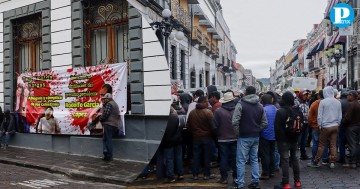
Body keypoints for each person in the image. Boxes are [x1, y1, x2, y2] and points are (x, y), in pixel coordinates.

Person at [232, 86, 268, 189]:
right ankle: (255, 181)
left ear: (246, 93)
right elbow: (265, 123)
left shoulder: (241, 104)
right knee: (254, 160)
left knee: (241, 161)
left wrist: (238, 133)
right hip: (255, 136)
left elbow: (235, 121)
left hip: (243, 136)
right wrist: (257, 129)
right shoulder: (260, 106)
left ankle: (240, 183)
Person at [274, 91, 303, 189]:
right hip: (294, 138)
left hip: (283, 140)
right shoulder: (297, 110)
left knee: (285, 160)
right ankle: (297, 181)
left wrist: (279, 139)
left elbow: (277, 128)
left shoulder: (280, 111)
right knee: (295, 159)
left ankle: (286, 183)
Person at [308, 86, 342, 169]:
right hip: (335, 125)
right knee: (333, 145)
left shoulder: (323, 102)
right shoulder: (338, 102)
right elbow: (340, 116)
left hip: (325, 126)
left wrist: (320, 126)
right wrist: (338, 124)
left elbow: (320, 116)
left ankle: (316, 161)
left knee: (321, 145)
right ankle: (332, 162)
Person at [187, 96, 215, 180]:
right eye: (207, 101)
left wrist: (193, 133)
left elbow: (188, 125)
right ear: (203, 102)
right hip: (207, 137)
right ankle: (206, 174)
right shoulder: (208, 112)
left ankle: (195, 174)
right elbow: (213, 126)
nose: (208, 103)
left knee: (196, 156)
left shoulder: (192, 113)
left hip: (196, 137)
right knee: (207, 156)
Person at [212, 92, 237, 184]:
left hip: (222, 139)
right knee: (235, 158)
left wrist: (218, 134)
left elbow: (214, 126)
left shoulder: (218, 111)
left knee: (223, 158)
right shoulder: (237, 111)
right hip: (235, 138)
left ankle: (224, 177)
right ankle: (235, 177)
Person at [158, 107, 184, 182]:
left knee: (169, 159)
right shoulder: (176, 117)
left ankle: (171, 176)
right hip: (177, 140)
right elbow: (181, 126)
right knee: (179, 157)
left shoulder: (161, 120)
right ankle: (180, 173)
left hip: (167, 141)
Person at [307, 90, 329, 167]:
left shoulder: (315, 103)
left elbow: (309, 116)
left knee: (315, 144)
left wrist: (311, 124)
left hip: (316, 126)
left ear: (319, 96)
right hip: (325, 126)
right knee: (324, 143)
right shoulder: (328, 103)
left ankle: (314, 160)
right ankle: (325, 159)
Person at [96, 93, 120, 161]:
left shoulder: (109, 104)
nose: (104, 100)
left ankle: (108, 156)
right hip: (113, 124)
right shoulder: (114, 104)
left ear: (108, 98)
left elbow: (106, 113)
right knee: (106, 139)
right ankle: (107, 155)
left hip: (109, 124)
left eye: (105, 99)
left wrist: (100, 119)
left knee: (107, 139)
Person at [259, 94, 277, 181]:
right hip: (274, 135)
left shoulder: (262, 110)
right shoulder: (276, 109)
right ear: (271, 100)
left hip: (264, 135)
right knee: (272, 153)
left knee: (265, 154)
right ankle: (272, 171)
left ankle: (265, 173)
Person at [342, 90, 360, 168]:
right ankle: (357, 161)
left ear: (352, 96)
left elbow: (347, 117)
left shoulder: (351, 104)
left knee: (352, 145)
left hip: (351, 127)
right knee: (356, 144)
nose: (347, 96)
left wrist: (343, 122)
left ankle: (352, 162)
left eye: (349, 95)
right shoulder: (358, 103)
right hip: (357, 126)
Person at [295, 90, 310, 160]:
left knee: (304, 139)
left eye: (306, 95)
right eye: (304, 95)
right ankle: (295, 156)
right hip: (299, 123)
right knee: (298, 139)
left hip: (306, 123)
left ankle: (303, 154)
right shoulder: (297, 102)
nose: (305, 96)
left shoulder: (307, 103)